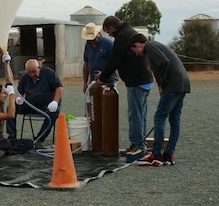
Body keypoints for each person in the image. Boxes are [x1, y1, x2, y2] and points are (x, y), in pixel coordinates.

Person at [129, 33, 191, 166]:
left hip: (173, 84)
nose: (135, 53)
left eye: (134, 49)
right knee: (175, 119)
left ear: (138, 44)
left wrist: (162, 84)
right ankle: (168, 154)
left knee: (159, 117)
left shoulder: (150, 47)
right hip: (182, 83)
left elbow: (164, 63)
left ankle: (156, 155)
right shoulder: (156, 46)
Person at [98, 15, 154, 155]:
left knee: (135, 115)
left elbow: (115, 59)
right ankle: (142, 143)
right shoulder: (130, 31)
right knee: (142, 114)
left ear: (112, 28)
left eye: (108, 32)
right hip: (146, 79)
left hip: (136, 81)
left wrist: (102, 78)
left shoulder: (122, 36)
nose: (109, 35)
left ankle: (137, 145)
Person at [6, 59, 63, 148]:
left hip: (47, 105)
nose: (32, 75)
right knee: (10, 108)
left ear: (39, 68)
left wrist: (55, 101)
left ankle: (39, 139)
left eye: (34, 72)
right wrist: (18, 99)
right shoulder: (25, 78)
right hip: (31, 105)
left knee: (53, 113)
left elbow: (59, 88)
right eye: (29, 72)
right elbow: (19, 92)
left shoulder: (49, 73)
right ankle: (11, 137)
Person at [81, 22, 117, 119]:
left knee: (106, 108)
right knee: (90, 108)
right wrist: (85, 83)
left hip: (108, 81)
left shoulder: (108, 44)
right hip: (93, 81)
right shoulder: (88, 45)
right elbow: (86, 63)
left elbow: (114, 63)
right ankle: (90, 130)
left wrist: (104, 74)